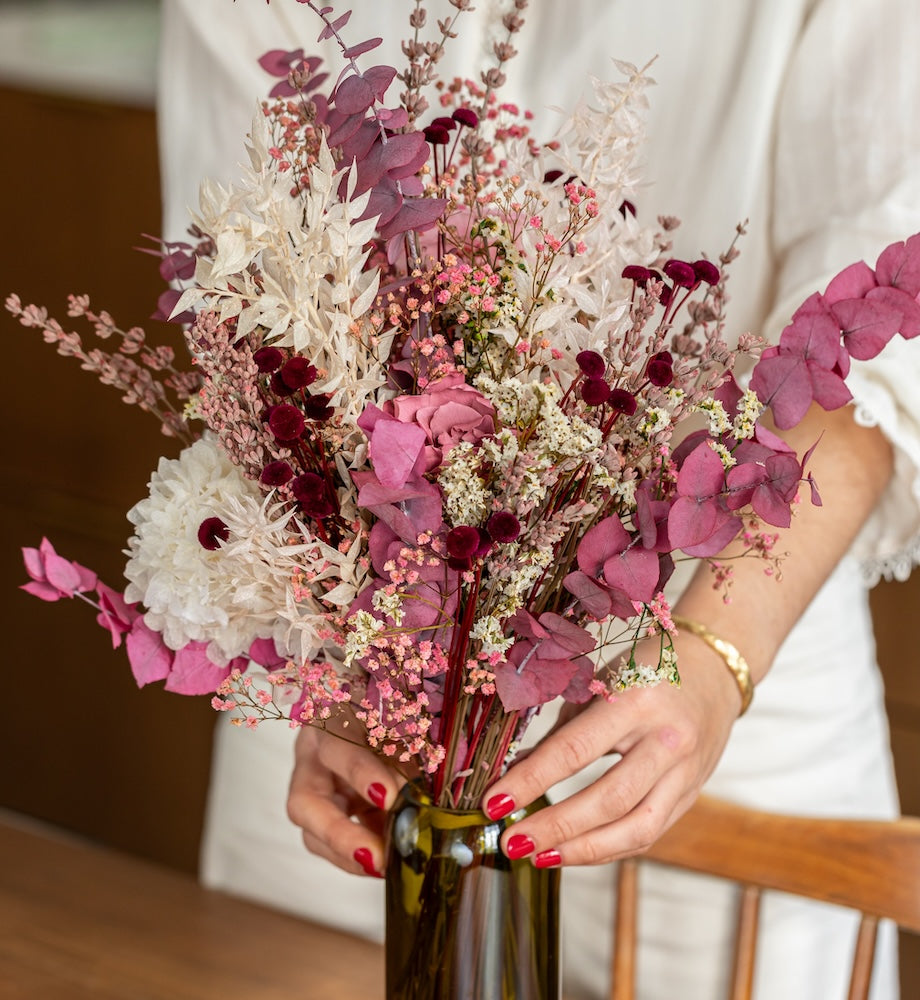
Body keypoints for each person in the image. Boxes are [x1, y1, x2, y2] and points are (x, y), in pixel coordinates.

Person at [158, 2, 920, 997]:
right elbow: (248, 290)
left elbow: (878, 341)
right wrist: (352, 653)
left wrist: (711, 659)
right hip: (364, 691)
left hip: (710, 674)